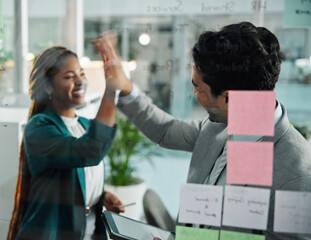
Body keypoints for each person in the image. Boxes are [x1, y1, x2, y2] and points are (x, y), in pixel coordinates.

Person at [96, 22, 311, 240]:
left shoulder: (296, 173)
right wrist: (125, 88)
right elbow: (166, 130)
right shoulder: (223, 124)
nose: (194, 94)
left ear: (229, 97)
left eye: (199, 88)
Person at [7, 46, 125, 240]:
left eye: (81, 74)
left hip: (88, 231)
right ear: (48, 86)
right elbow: (90, 151)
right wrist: (111, 91)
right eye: (69, 76)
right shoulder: (38, 127)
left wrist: (99, 196)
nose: (80, 81)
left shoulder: (85, 126)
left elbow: (77, 176)